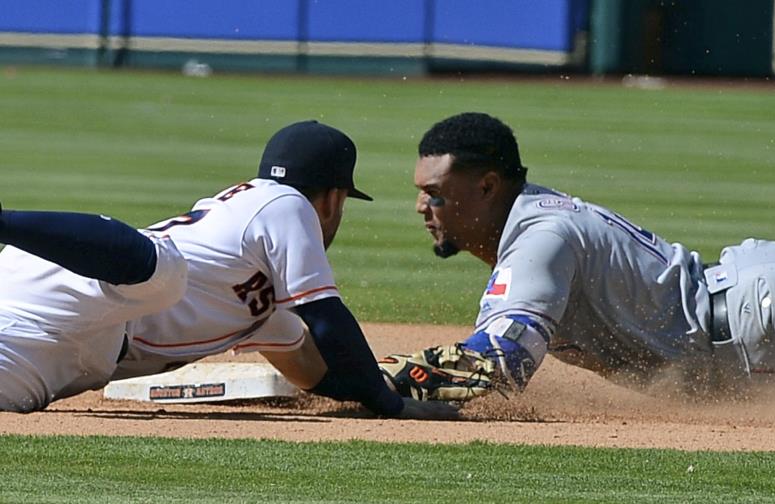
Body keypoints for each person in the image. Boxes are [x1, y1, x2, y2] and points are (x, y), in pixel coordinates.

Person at [379, 112, 775, 403]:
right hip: (749, 305)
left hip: (762, 326)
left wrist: (374, 387)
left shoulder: (542, 236)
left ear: (488, 186)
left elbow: (495, 366)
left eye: (436, 194)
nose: (423, 207)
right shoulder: (536, 221)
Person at [0, 120, 455, 419]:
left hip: (52, 349)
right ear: (334, 199)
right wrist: (388, 405)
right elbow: (326, 315)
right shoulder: (283, 202)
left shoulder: (252, 298)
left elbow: (317, 371)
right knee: (164, 273)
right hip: (74, 285)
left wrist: (390, 385)